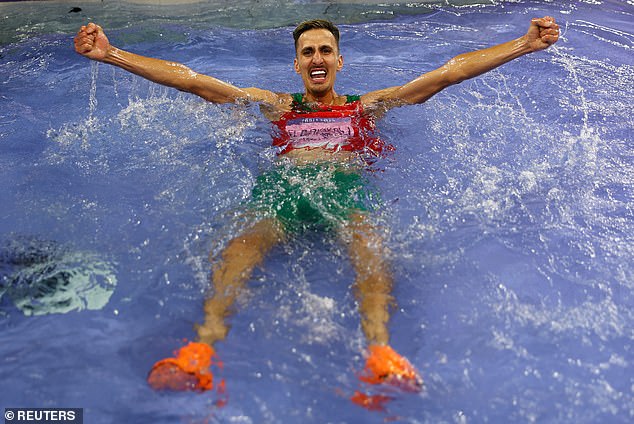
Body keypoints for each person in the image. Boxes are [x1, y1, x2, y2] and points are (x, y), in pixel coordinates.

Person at [74, 17, 559, 400]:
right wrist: (110, 54)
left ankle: (380, 352)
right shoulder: (277, 107)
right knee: (239, 247)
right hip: (282, 196)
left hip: (345, 193)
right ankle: (201, 348)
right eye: (308, 51)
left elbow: (448, 73)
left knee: (371, 247)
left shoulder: (366, 107)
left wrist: (524, 44)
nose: (317, 57)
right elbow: (196, 83)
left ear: (340, 61)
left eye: (325, 49)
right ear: (297, 64)